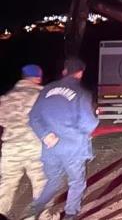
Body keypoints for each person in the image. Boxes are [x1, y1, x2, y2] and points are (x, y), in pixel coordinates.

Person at [27, 58, 99, 220]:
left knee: (53, 180)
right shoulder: (82, 93)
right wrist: (95, 119)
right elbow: (89, 123)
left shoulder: (47, 90)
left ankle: (35, 209)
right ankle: (71, 214)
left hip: (50, 148)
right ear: (80, 73)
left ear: (64, 71)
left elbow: (33, 117)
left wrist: (45, 135)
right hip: (72, 148)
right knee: (76, 182)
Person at [0, 65, 47, 219]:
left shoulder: (7, 97)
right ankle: (44, 217)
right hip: (35, 146)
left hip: (11, 147)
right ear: (38, 77)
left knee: (7, 183)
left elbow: (2, 120)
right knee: (41, 183)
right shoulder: (42, 95)